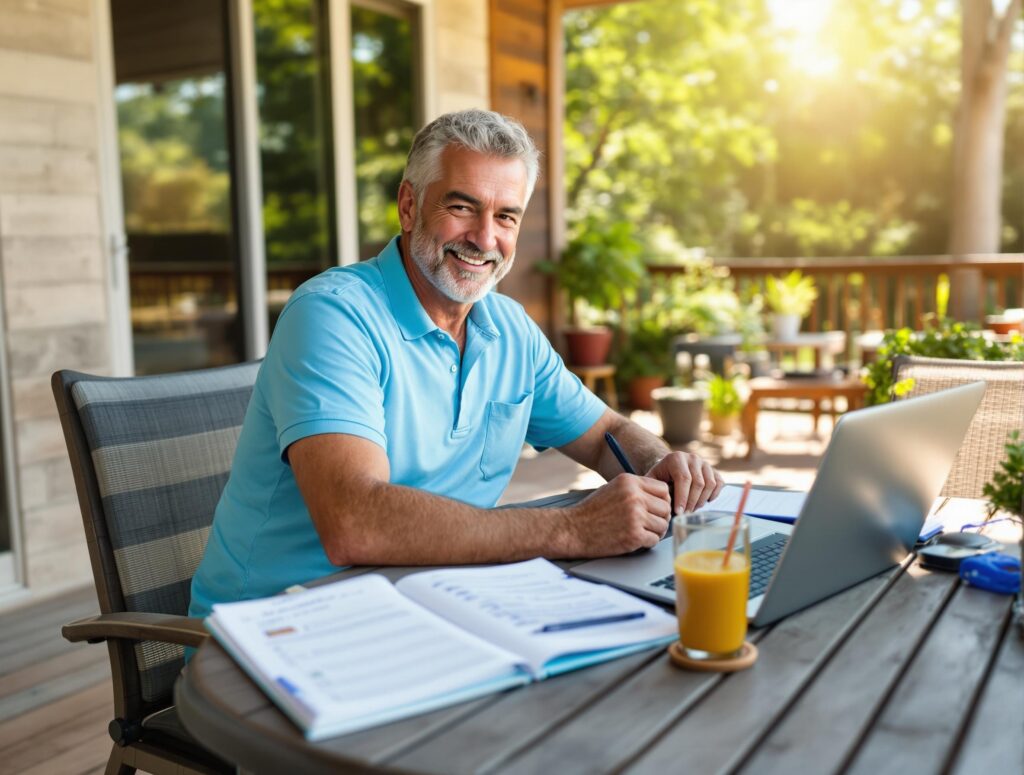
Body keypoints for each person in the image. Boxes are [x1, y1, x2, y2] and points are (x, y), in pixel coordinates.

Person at [188, 109, 724, 619]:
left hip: (429, 604)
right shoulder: (332, 316)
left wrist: (659, 464)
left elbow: (606, 430)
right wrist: (574, 530)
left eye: (505, 216)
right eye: (462, 207)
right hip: (278, 629)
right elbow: (354, 522)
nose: (485, 239)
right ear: (408, 205)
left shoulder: (508, 328)